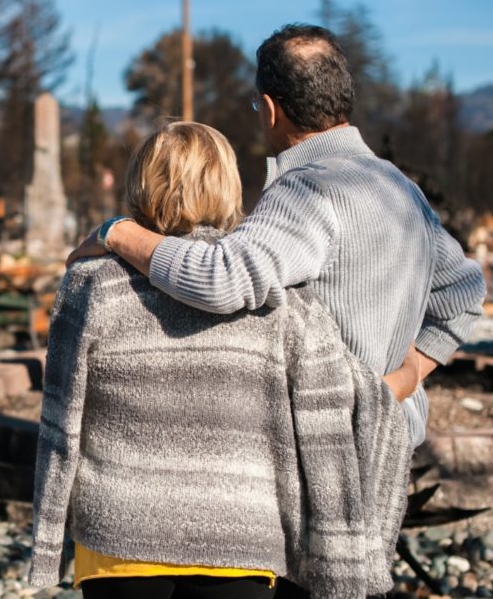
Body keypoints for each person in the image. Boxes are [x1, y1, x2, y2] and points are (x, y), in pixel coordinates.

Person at [29, 122, 414, 599]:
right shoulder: (281, 301)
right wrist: (408, 376)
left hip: (117, 536)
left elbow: (59, 424)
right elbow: (335, 406)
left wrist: (46, 545)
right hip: (243, 539)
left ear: (140, 185)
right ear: (229, 187)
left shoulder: (90, 284)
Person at [67, 24, 487, 450]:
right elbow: (464, 293)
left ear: (270, 109)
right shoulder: (400, 188)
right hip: (393, 438)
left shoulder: (308, 188)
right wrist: (409, 373)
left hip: (330, 449)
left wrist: (116, 232)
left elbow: (219, 279)